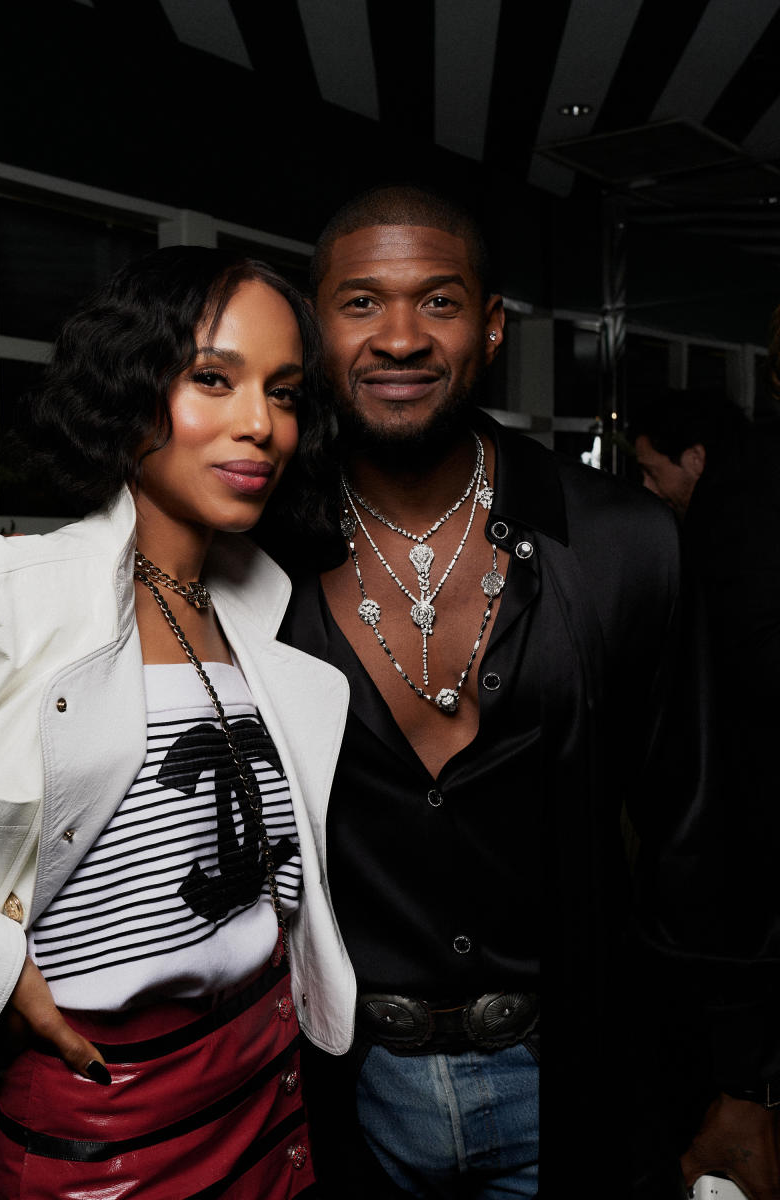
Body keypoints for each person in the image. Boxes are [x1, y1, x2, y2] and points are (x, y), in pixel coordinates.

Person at [0, 247, 358, 1198]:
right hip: (101, 1119)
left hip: (271, 1090)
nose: (261, 426)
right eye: (212, 379)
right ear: (129, 387)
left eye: (284, 392)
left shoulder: (268, 614)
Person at [264, 185, 765, 1199]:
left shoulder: (625, 541)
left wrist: (743, 1079)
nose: (399, 336)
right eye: (360, 304)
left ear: (490, 330)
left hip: (582, 1079)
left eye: (437, 303)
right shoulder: (255, 555)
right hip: (335, 1096)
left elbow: (699, 828)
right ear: (315, 332)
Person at [632, 387, 780, 1199]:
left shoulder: (729, 522)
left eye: (656, 472)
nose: (651, 491)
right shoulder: (738, 510)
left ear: (696, 458)